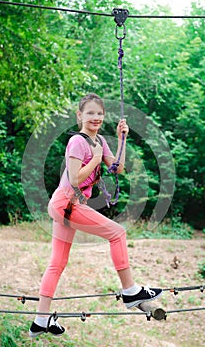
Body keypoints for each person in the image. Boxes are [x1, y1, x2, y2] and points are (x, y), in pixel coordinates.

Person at [29, 93, 162, 338]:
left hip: (66, 207)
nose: (96, 118)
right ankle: (130, 290)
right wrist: (97, 159)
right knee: (117, 232)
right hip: (66, 204)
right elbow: (75, 178)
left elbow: (118, 168)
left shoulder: (100, 140)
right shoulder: (78, 142)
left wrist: (122, 139)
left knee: (57, 262)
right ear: (79, 115)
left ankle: (40, 319)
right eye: (90, 113)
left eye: (99, 113)